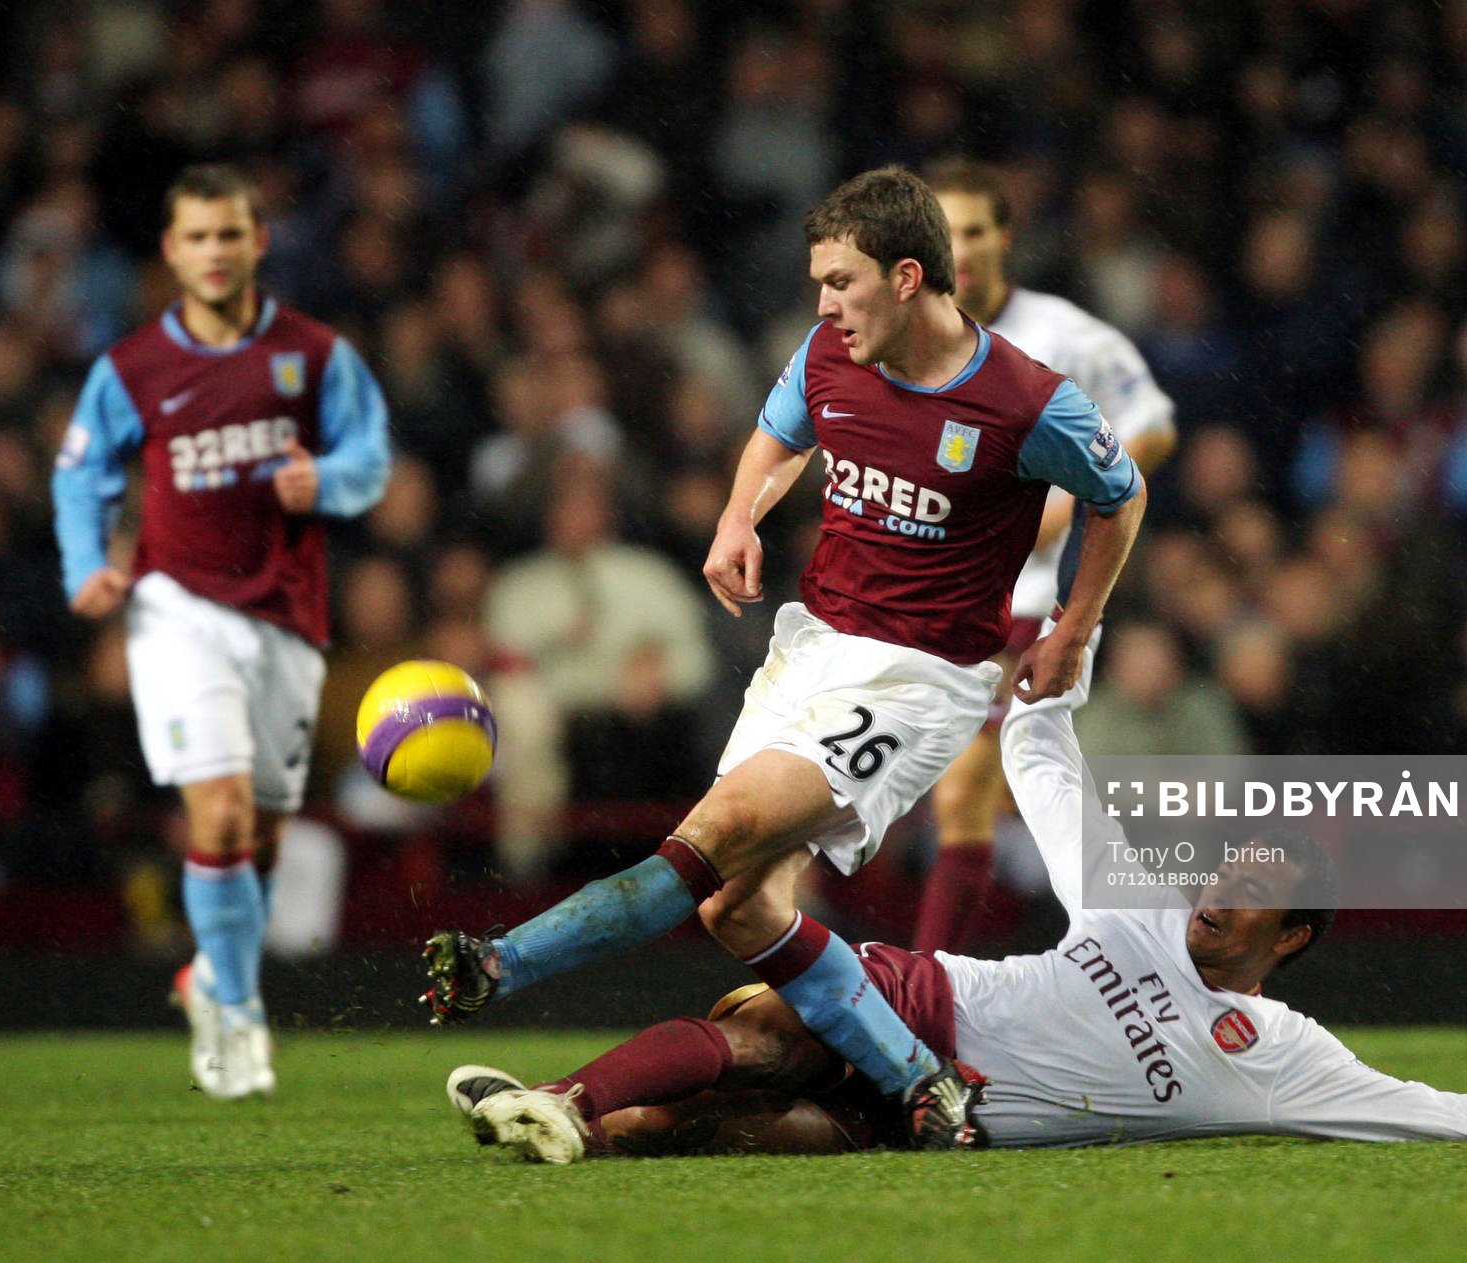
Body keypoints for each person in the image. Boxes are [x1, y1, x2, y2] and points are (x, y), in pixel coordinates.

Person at [419, 165, 1147, 1150]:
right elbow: (776, 439)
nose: (823, 305)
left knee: (717, 831)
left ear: (905, 277)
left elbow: (1122, 496)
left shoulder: (1027, 401)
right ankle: (922, 1087)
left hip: (918, 679)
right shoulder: (826, 355)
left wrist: (1073, 626)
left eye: (840, 282)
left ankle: (499, 963)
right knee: (738, 905)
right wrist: (738, 518)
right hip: (811, 648)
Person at [438, 676, 1467, 1161]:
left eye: (1251, 889)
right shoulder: (1133, 900)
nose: (1218, 886)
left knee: (718, 1132)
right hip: (922, 1001)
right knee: (767, 1039)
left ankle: (574, 1126)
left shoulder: (1279, 1056)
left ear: (1289, 937)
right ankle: (559, 1092)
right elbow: (1046, 766)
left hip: (936, 1122)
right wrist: (1055, 671)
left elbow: (1429, 1108)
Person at [51, 163, 390, 1099]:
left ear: (258, 241)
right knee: (224, 810)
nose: (214, 251)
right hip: (177, 608)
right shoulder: (132, 368)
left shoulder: (312, 353)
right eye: (197, 236)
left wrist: (326, 480)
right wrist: (85, 566)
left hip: (287, 613)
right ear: (171, 250)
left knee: (264, 835)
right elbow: (81, 473)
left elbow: (369, 454)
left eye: (229, 233)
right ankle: (239, 1014)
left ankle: (210, 967)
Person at [912, 158, 1177, 954]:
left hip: (1025, 602)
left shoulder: (1063, 333)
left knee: (969, 794)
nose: (960, 248)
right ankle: (1133, 954)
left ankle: (925, 984)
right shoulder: (903, 336)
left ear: (1004, 237)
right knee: (993, 801)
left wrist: (1078, 491)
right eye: (944, 232)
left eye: (974, 230)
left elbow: (1152, 422)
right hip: (926, 598)